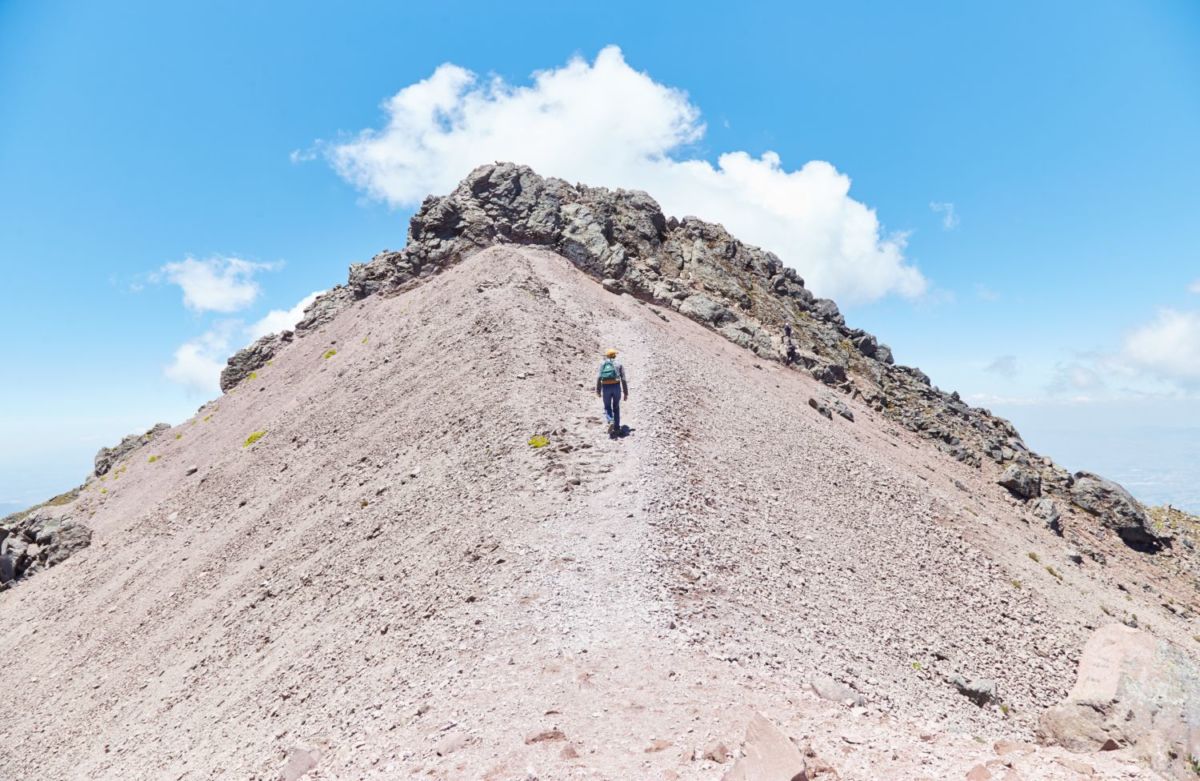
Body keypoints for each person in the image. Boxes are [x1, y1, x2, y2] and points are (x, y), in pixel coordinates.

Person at [595, 348, 628, 437]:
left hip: (605, 387)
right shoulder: (619, 364)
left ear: (607, 356)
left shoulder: (602, 364)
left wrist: (598, 390)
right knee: (616, 407)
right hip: (616, 386)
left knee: (607, 406)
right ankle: (617, 428)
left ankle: (610, 420)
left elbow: (598, 377)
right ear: (615, 355)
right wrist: (625, 392)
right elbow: (623, 379)